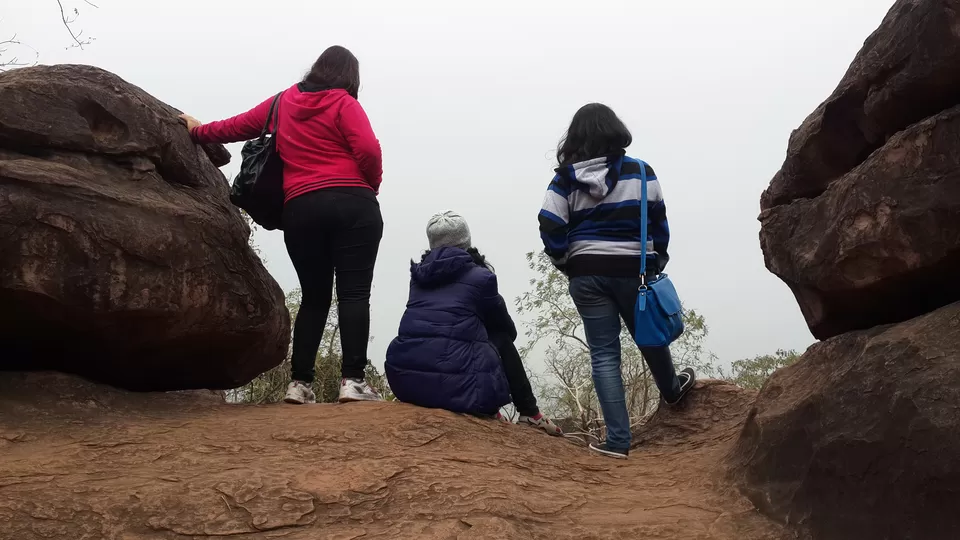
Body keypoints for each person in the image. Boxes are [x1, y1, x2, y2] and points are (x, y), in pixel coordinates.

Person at [180, 46, 383, 405]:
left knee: (314, 297)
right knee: (354, 293)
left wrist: (198, 132)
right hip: (353, 203)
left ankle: (299, 384)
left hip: (301, 209)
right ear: (351, 76)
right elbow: (367, 149)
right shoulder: (343, 103)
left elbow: (235, 127)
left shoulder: (282, 102)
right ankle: (352, 382)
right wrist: (370, 186)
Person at [538, 103, 695, 459]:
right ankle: (671, 390)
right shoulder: (641, 172)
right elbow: (658, 222)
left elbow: (550, 222)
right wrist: (656, 260)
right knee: (650, 333)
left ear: (575, 138)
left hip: (587, 274)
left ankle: (618, 443)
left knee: (604, 355)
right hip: (634, 270)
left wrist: (566, 260)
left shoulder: (564, 179)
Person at [385, 211, 562, 436]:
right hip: (462, 389)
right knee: (501, 340)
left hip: (409, 386)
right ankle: (530, 413)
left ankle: (501, 409)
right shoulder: (481, 277)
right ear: (466, 241)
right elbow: (505, 328)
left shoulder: (417, 278)